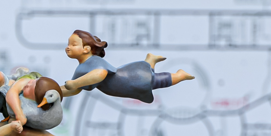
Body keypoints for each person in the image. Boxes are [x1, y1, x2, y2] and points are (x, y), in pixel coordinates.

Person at [62, 30, 194, 103]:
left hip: (128, 80)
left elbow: (100, 73)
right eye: (68, 44)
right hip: (125, 81)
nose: (68, 47)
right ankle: (150, 60)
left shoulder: (95, 61)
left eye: (73, 44)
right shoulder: (82, 68)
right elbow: (74, 89)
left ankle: (179, 75)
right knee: (149, 76)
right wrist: (55, 91)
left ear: (86, 49)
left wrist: (75, 83)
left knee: (154, 81)